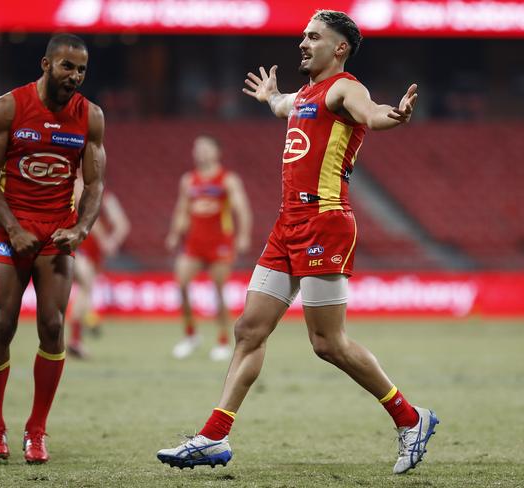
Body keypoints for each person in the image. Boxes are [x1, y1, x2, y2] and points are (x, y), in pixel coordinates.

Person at [157, 10, 438, 475]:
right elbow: (284, 106)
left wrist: (397, 115)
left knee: (327, 343)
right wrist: (270, 96)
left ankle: (411, 419)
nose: (302, 43)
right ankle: (213, 436)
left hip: (325, 222)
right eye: (302, 36)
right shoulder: (305, 95)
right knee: (249, 329)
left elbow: (373, 113)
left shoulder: (345, 88)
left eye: (313, 37)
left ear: (339, 48)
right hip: (287, 224)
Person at [0, 33, 106, 464]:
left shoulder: (90, 117)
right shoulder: (8, 107)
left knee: (52, 325)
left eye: (82, 69)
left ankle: (37, 432)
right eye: (68, 66)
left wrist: (82, 228)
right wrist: (11, 228)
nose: (76, 76)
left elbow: (95, 183)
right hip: (11, 231)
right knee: (2, 325)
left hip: (56, 234)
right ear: (46, 64)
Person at [165, 135, 252, 361]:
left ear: (217, 152)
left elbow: (242, 209)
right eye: (197, 148)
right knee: (181, 284)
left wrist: (243, 236)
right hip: (194, 243)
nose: (201, 152)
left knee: (218, 291)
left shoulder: (228, 179)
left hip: (220, 243)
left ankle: (223, 340)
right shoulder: (188, 180)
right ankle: (191, 335)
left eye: (205, 148)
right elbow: (182, 210)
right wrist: (175, 234)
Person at [67, 186, 130, 359]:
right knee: (85, 286)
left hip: (93, 254)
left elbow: (122, 224)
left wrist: (112, 242)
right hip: (78, 248)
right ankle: (76, 339)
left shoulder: (101, 194)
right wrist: (107, 241)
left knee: (85, 289)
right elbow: (91, 219)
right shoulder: (85, 189)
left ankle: (88, 323)